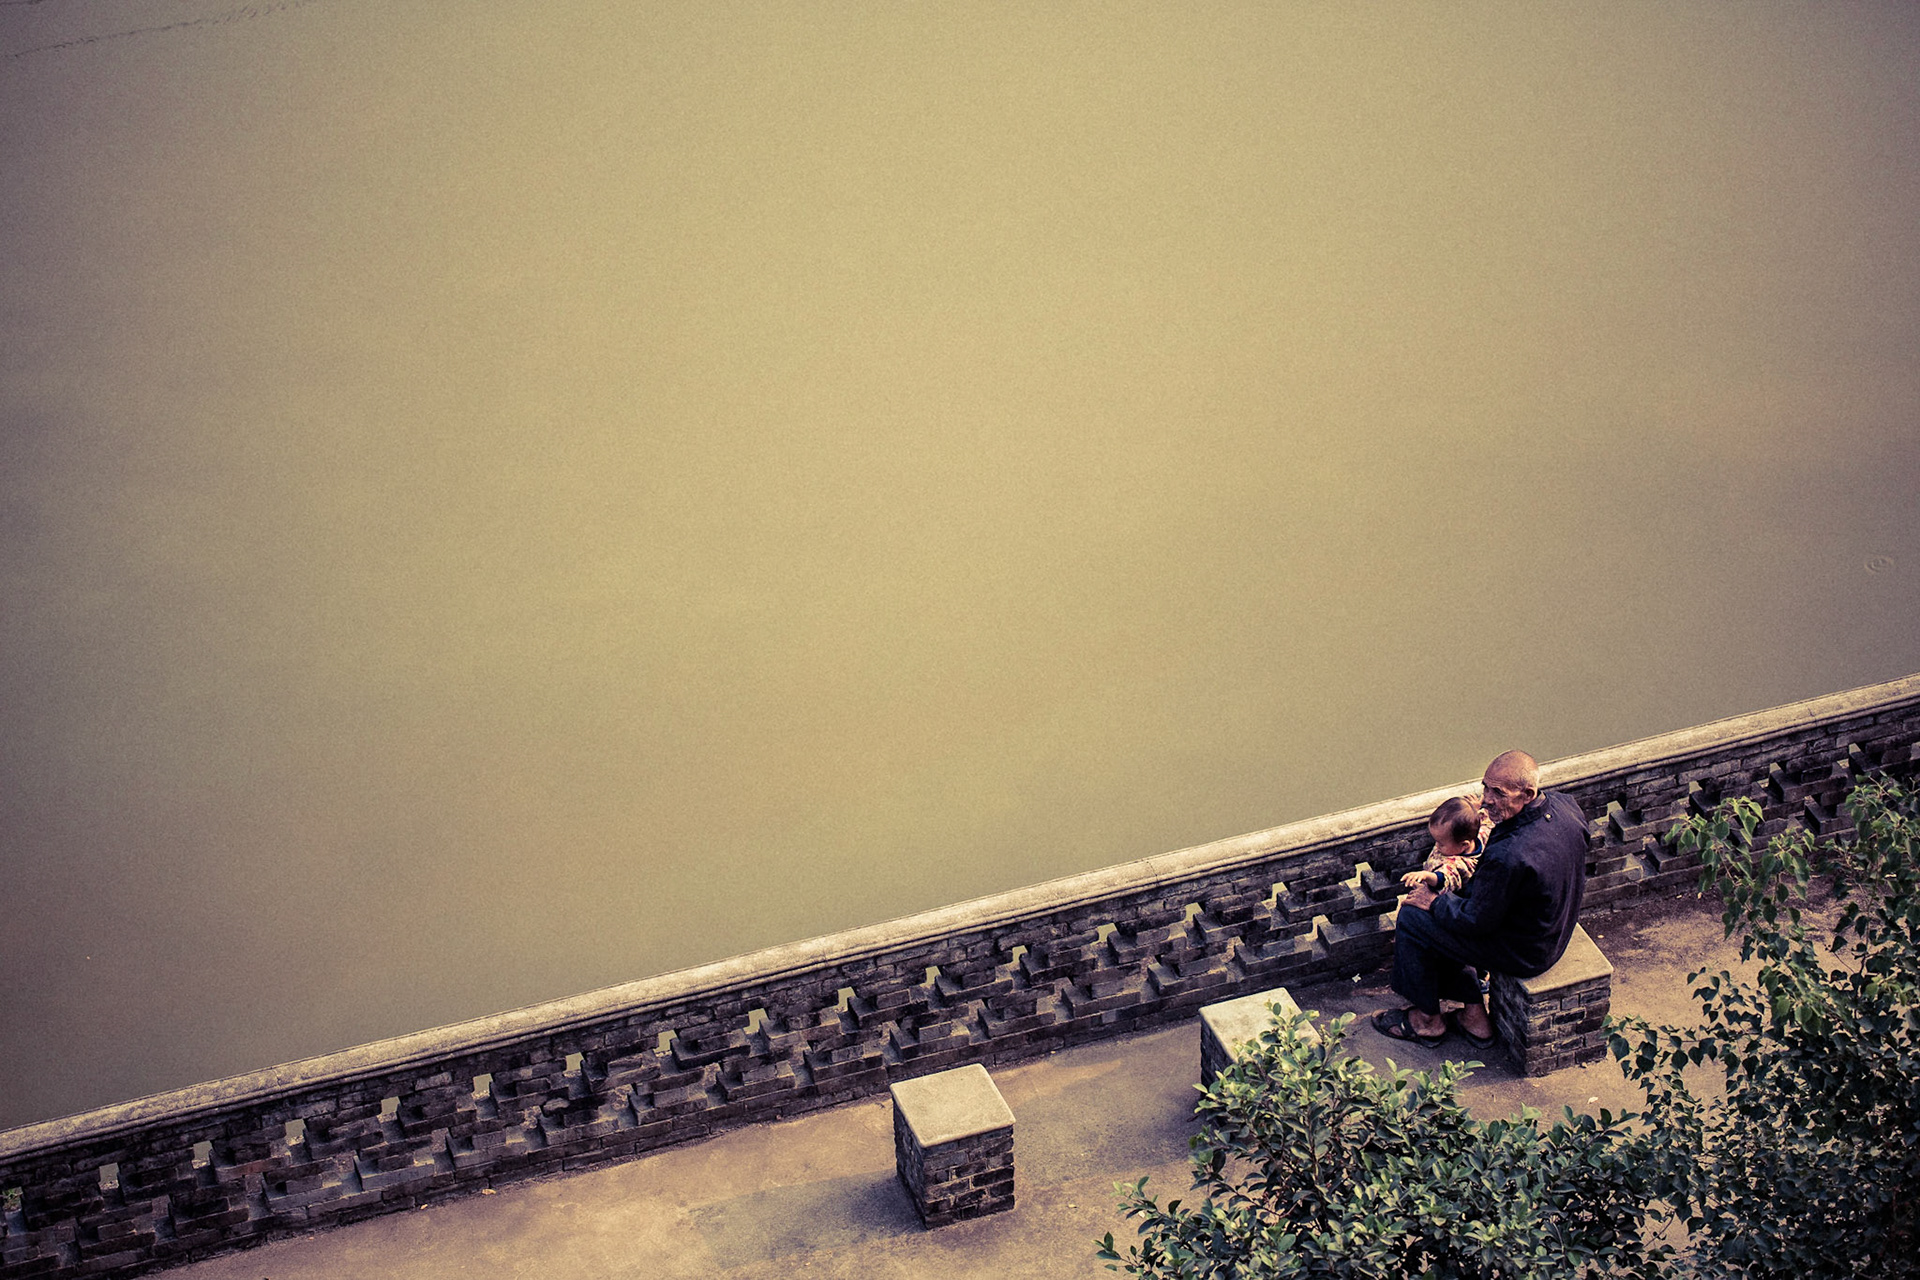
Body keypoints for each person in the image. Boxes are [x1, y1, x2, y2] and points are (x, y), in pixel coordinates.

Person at [1371, 751, 1587, 1049]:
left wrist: (1432, 902)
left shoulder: (1509, 855)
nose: (1486, 800)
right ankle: (1474, 1016)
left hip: (1526, 951)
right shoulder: (1566, 806)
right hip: (1554, 930)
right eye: (1485, 787)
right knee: (1453, 902)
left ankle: (1427, 1021)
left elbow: (1474, 920)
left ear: (1527, 794)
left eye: (1498, 793)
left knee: (1413, 918)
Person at [1399, 795, 1489, 896]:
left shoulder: (1460, 865)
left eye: (1441, 844)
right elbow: (1485, 821)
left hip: (1439, 894)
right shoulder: (1481, 832)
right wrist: (1475, 810)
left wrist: (1426, 876)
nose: (1436, 846)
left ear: (1464, 844)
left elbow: (1444, 877)